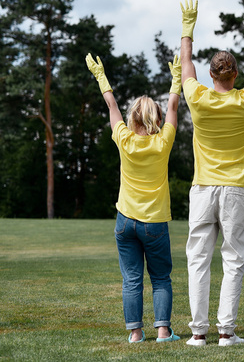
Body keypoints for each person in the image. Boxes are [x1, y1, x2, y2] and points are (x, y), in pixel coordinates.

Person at [179, 0, 244, 347]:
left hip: (203, 189)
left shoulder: (198, 99)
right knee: (233, 260)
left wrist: (188, 27)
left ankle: (198, 333)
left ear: (212, 74)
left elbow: (186, 64)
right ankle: (226, 332)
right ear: (235, 74)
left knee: (197, 260)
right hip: (236, 190)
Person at [85, 52, 182, 344]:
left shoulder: (124, 139)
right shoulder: (163, 141)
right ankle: (163, 331)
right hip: (154, 223)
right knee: (161, 278)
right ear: (156, 118)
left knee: (132, 280)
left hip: (125, 221)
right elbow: (175, 106)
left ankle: (135, 333)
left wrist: (101, 77)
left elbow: (111, 104)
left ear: (133, 118)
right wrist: (176, 80)